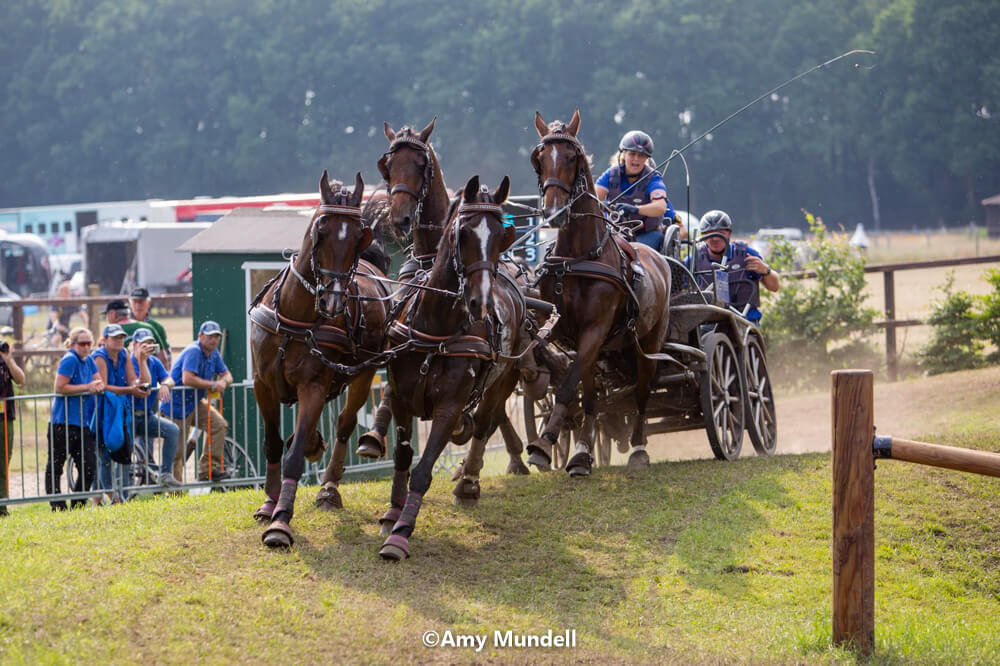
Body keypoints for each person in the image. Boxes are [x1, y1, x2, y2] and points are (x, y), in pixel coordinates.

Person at [161, 321, 233, 482]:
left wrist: (224, 382)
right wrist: (214, 384)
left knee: (219, 425)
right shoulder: (193, 351)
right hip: (176, 405)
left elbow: (228, 375)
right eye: (210, 336)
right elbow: (188, 379)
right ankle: (175, 492)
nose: (214, 340)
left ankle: (207, 469)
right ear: (200, 336)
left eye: (216, 336)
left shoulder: (214, 354)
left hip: (195, 402)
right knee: (177, 452)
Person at [46, 327, 103, 510]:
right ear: (72, 344)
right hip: (61, 423)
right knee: (56, 467)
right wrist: (88, 387)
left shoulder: (89, 360)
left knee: (89, 466)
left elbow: (98, 381)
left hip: (82, 423)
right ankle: (58, 506)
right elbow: (60, 387)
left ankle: (78, 504)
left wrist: (97, 385)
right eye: (82, 344)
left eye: (89, 343)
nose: (86, 347)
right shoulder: (70, 360)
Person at [92, 324, 149, 503]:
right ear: (105, 340)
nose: (119, 340)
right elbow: (103, 386)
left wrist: (142, 361)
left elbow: (134, 380)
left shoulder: (124, 353)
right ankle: (111, 497)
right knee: (104, 454)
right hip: (101, 411)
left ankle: (121, 495)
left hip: (120, 411)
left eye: (121, 337)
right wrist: (130, 390)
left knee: (124, 453)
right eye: (115, 337)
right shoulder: (99, 357)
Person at [595, 130, 681, 250]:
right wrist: (601, 205)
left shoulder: (654, 178)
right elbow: (593, 197)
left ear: (646, 158)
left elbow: (661, 207)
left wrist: (634, 209)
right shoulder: (610, 174)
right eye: (632, 154)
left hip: (647, 234)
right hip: (615, 233)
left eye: (641, 155)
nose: (636, 159)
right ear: (623, 154)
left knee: (633, 251)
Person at [691, 210, 780, 323]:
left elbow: (775, 287)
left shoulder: (746, 254)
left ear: (729, 233)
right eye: (710, 234)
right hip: (708, 321)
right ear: (703, 236)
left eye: (720, 233)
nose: (715, 238)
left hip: (745, 321)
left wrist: (765, 270)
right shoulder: (695, 259)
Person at [129, 328, 181, 488]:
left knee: (172, 430)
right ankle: (123, 486)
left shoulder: (154, 362)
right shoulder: (128, 362)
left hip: (147, 415)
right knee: (123, 448)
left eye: (151, 343)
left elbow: (170, 378)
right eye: (144, 344)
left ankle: (165, 474)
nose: (148, 347)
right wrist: (142, 361)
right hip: (127, 417)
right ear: (134, 345)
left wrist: (165, 384)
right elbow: (142, 385)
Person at [0, 337, 26, 516]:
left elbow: (20, 379)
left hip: (4, 417)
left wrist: (9, 360)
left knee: (3, 462)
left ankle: (2, 506)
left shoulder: (4, 357)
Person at [104, 299, 165, 366]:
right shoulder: (148, 327)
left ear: (113, 314)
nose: (107, 319)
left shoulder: (109, 334)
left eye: (107, 315)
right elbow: (162, 356)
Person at [129, 287, 172, 369]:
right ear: (130, 303)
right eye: (135, 301)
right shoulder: (123, 325)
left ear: (148, 303)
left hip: (151, 369)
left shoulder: (157, 327)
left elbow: (165, 356)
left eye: (141, 302)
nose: (138, 305)